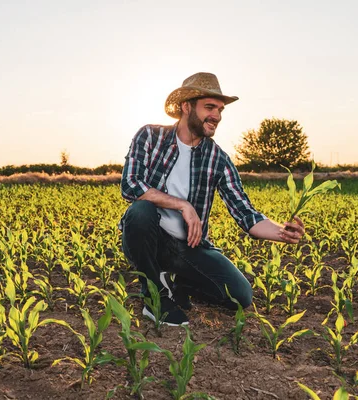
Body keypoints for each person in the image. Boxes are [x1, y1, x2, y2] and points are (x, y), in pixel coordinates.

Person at [119, 72, 305, 326]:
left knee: (240, 295)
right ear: (186, 107)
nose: (216, 116)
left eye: (220, 109)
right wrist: (183, 205)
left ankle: (177, 285)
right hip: (147, 239)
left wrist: (283, 232)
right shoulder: (150, 136)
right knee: (141, 211)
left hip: (186, 247)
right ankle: (155, 297)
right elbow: (131, 184)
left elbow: (245, 212)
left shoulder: (218, 159)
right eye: (209, 107)